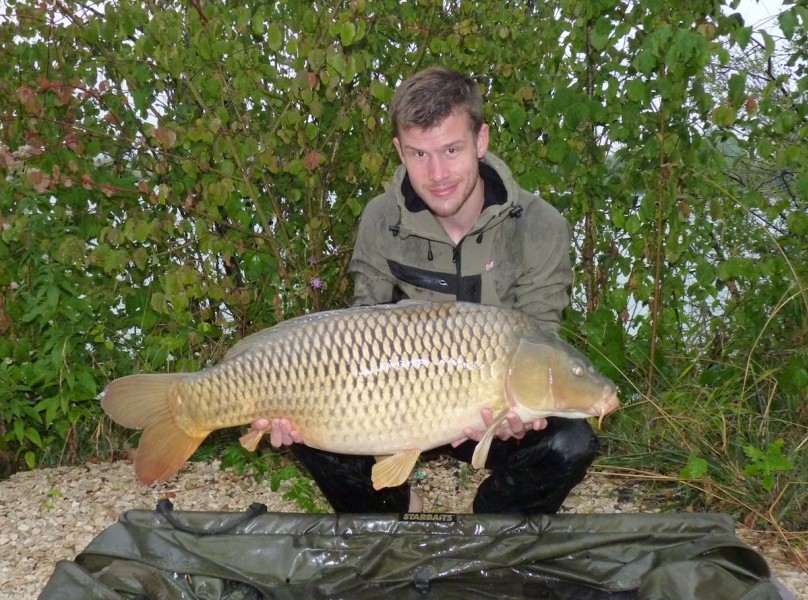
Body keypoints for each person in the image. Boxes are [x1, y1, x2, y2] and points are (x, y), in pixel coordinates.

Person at [259, 67, 599, 514]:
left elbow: (540, 338)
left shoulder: (540, 227)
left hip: (492, 408)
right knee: (312, 423)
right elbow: (358, 335)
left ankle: (493, 526)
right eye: (418, 154)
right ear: (399, 150)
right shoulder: (381, 220)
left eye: (452, 150)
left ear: (481, 141)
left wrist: (517, 416)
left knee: (571, 442)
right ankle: (395, 508)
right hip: (395, 405)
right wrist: (296, 405)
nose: (437, 173)